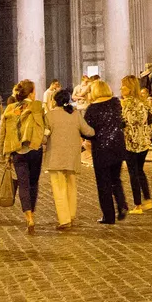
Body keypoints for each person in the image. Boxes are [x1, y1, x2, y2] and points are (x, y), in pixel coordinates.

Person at [1, 80, 46, 235]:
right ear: (31, 93)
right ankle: (32, 212)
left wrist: (4, 152)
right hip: (34, 149)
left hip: (16, 151)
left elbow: (3, 131)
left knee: (23, 184)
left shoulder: (10, 108)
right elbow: (45, 126)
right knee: (33, 183)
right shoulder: (37, 105)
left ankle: (28, 216)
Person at [44, 87, 93, 230]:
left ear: (55, 101)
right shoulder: (75, 114)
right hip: (72, 156)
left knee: (59, 188)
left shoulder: (50, 116)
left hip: (56, 157)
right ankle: (71, 214)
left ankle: (64, 219)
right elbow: (87, 131)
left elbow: (44, 138)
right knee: (71, 186)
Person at [84, 79, 130, 224]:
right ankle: (122, 205)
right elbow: (121, 121)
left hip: (101, 149)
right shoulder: (116, 103)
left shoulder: (92, 109)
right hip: (117, 146)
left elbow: (87, 131)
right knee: (115, 179)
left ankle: (108, 216)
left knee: (103, 183)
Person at [119, 75, 152, 214]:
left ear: (130, 88)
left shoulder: (126, 104)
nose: (121, 88)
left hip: (131, 143)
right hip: (143, 142)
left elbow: (124, 122)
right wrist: (146, 131)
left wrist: (123, 126)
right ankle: (147, 200)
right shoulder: (144, 102)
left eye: (123, 86)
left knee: (133, 173)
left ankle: (138, 205)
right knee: (139, 171)